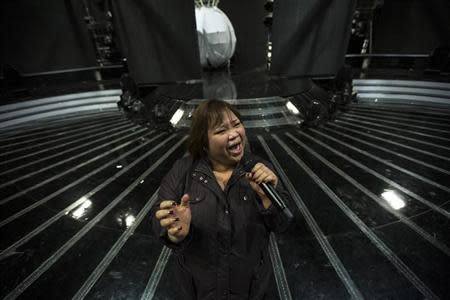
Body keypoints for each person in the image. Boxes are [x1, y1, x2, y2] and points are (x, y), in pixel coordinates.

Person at [151, 99, 291, 299]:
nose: (234, 134)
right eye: (221, 130)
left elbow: (283, 223)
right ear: (203, 142)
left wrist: (268, 201)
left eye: (236, 124)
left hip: (252, 290)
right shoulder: (183, 170)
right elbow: (158, 217)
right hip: (199, 290)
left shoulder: (260, 169)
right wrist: (174, 232)